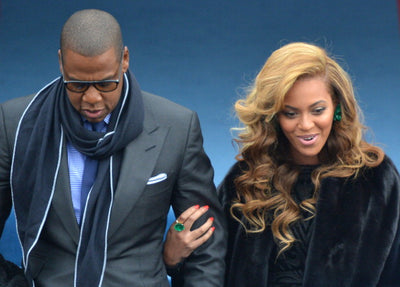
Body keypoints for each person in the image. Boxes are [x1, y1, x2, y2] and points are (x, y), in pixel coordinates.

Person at [0, 9, 226, 287]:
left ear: (125, 60)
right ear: (61, 63)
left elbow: (207, 247)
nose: (92, 98)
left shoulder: (177, 127)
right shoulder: (16, 125)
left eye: (106, 83)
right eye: (78, 84)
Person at [164, 42, 400, 286]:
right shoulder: (245, 180)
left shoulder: (376, 179)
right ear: (273, 116)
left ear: (337, 108)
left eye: (318, 110)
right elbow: (208, 272)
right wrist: (174, 260)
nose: (306, 125)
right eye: (290, 113)